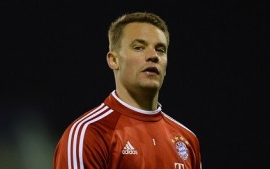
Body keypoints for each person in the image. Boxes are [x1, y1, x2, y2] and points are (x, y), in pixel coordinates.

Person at [53, 11, 202, 169]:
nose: (153, 56)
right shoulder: (89, 133)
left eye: (160, 49)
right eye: (139, 48)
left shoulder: (187, 140)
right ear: (114, 60)